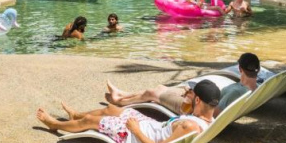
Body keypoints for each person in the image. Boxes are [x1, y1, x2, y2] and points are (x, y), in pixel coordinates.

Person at [36, 80, 220, 143]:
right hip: (151, 127)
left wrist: (136, 130)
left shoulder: (189, 126)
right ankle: (75, 115)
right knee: (112, 108)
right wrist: (189, 104)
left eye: (191, 94)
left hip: (135, 138)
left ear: (198, 99)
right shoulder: (207, 119)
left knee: (91, 122)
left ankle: (54, 124)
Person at [105, 52, 262, 116]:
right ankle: (122, 94)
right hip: (200, 99)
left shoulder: (237, 92)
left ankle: (119, 101)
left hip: (191, 108)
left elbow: (214, 113)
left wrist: (195, 99)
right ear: (258, 70)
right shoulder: (255, 88)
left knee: (152, 93)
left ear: (240, 69)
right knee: (160, 88)